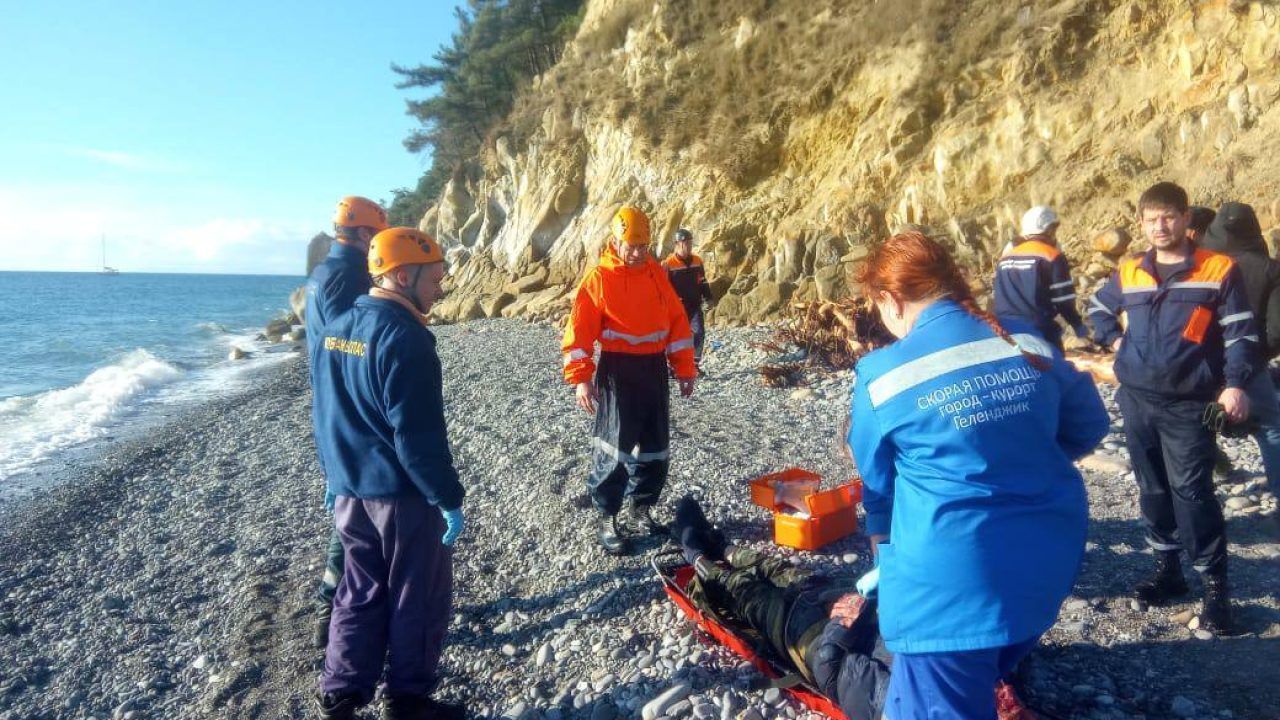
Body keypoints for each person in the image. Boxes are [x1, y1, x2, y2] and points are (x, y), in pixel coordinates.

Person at [848, 231, 1109, 719]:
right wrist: (1022, 458)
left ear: (891, 298)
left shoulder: (881, 375)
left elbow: (877, 479)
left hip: (948, 590)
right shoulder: (1028, 339)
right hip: (1044, 569)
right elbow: (1090, 424)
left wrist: (881, 534)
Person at [669, 497, 1038, 720]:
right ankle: (726, 547)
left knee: (747, 595)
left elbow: (833, 671)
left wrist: (850, 616)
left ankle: (698, 557)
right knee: (782, 571)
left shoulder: (898, 706)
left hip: (806, 635)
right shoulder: (970, 676)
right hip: (840, 606)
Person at [1088, 182, 1259, 634]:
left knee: (1193, 494)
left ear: (1186, 219)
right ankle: (1168, 572)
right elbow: (1097, 310)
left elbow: (1242, 335)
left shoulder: (1219, 269)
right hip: (1137, 399)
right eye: (1150, 219)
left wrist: (1235, 385)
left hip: (1190, 404)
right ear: (1141, 224)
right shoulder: (1131, 273)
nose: (1159, 226)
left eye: (1168, 217)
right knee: (1153, 489)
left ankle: (1216, 590)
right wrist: (1115, 339)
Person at [312, 227, 466, 720]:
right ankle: (408, 701)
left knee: (358, 588)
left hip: (350, 491)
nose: (440, 288)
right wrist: (447, 498)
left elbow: (325, 413)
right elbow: (416, 438)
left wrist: (334, 478)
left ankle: (341, 693)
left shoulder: (336, 326)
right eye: (435, 278)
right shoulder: (406, 338)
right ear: (403, 275)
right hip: (400, 496)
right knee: (417, 595)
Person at [562, 205, 698, 555]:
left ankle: (641, 507)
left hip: (653, 369)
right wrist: (581, 378)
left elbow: (678, 324)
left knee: (656, 444)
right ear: (616, 241)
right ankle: (608, 516)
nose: (637, 253)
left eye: (643, 246)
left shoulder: (657, 274)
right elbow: (578, 331)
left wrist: (685, 368)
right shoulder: (599, 278)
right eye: (631, 245)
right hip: (617, 370)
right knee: (614, 445)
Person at [304, 196, 388, 649]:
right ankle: (332, 603)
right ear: (361, 234)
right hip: (351, 406)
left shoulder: (320, 275)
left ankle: (335, 603)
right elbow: (350, 345)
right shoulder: (350, 276)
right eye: (376, 233)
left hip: (330, 403)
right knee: (358, 509)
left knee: (350, 504)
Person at [1199, 201, 1280, 494]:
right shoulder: (1270, 269)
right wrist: (1259, 355)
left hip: (1199, 362)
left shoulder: (1201, 264)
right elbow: (1278, 329)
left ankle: (1201, 491)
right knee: (1272, 429)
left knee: (1196, 427)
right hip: (1248, 362)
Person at [993, 206, 1089, 350]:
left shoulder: (1005, 258)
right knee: (1053, 370)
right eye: (1054, 229)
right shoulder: (1052, 256)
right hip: (1039, 331)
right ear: (1048, 229)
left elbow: (998, 294)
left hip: (1005, 331)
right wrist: (1078, 326)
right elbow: (1063, 302)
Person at [662, 228, 715, 367]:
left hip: (694, 304)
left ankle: (694, 364)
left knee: (699, 332)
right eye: (686, 243)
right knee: (676, 337)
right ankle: (674, 366)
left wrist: (708, 297)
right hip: (676, 308)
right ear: (677, 244)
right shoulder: (669, 264)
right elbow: (664, 288)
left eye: (691, 243)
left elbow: (702, 281)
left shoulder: (697, 260)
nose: (689, 246)